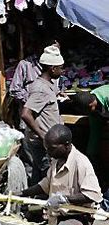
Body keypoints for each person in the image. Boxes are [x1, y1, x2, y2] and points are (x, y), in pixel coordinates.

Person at [21, 45, 66, 186]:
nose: (62, 71)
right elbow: (26, 114)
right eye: (61, 68)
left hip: (48, 140)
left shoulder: (47, 85)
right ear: (53, 69)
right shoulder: (41, 89)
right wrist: (43, 136)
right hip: (44, 142)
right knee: (47, 176)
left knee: (40, 174)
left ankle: (33, 202)